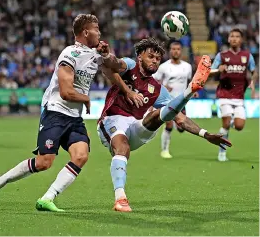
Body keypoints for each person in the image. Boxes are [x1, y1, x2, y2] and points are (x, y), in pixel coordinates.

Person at [0, 14, 143, 212]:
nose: (99, 33)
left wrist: (125, 87)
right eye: (96, 29)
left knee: (81, 155)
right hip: (55, 112)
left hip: (74, 118)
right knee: (44, 162)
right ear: (85, 32)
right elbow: (66, 93)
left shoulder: (95, 55)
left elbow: (114, 71)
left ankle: (47, 198)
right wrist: (85, 99)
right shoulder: (70, 54)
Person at [97, 38, 232, 212]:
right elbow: (113, 63)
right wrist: (107, 54)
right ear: (139, 57)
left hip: (136, 125)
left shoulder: (158, 89)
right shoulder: (130, 66)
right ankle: (120, 198)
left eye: (157, 58)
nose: (154, 60)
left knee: (157, 115)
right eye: (150, 56)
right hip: (112, 120)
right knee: (122, 147)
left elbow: (180, 118)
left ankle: (190, 89)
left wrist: (205, 134)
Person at [210, 28, 257, 162]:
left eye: (237, 36)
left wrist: (253, 83)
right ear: (229, 39)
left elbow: (254, 71)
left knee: (239, 126)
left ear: (241, 39)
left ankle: (229, 124)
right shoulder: (222, 56)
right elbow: (210, 71)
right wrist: (218, 70)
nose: (234, 38)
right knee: (225, 124)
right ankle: (222, 153)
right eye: (232, 36)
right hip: (224, 95)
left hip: (239, 97)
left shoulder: (247, 56)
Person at [153, 41, 197, 159]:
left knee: (182, 128)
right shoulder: (163, 67)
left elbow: (189, 82)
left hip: (182, 101)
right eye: (173, 49)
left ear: (181, 51)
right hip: (167, 101)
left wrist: (193, 91)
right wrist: (163, 87)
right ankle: (164, 150)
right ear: (169, 51)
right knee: (169, 125)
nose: (175, 51)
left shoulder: (187, 67)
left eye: (178, 49)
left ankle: (168, 143)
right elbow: (153, 81)